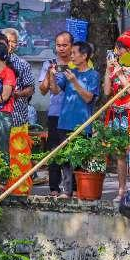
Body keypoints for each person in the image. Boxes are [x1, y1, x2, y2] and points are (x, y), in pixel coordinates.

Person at [48, 41, 100, 198]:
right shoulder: (70, 72)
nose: (71, 56)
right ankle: (67, 191)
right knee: (65, 160)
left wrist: (75, 82)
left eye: (74, 53)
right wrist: (51, 75)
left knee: (80, 160)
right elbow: (55, 90)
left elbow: (88, 98)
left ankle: (81, 191)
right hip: (64, 122)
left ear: (84, 56)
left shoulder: (93, 75)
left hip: (82, 123)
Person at [104, 29, 130, 201]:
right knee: (120, 154)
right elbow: (107, 91)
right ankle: (121, 191)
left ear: (129, 50)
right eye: (116, 48)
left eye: (120, 49)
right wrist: (108, 71)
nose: (117, 52)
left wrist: (121, 75)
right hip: (117, 115)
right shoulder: (115, 68)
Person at [39, 31, 74, 196]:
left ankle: (72, 187)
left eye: (65, 45)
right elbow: (43, 90)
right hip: (55, 113)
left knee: (72, 150)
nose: (61, 48)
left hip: (74, 113)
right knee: (54, 150)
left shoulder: (78, 63)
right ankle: (54, 187)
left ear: (71, 46)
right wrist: (49, 73)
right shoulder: (49, 63)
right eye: (58, 45)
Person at [2, 28, 37, 177]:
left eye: (13, 41)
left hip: (17, 118)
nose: (9, 44)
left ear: (17, 45)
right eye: (6, 41)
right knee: (0, 158)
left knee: (19, 158)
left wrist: (18, 93)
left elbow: (31, 89)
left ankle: (19, 192)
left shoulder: (23, 65)